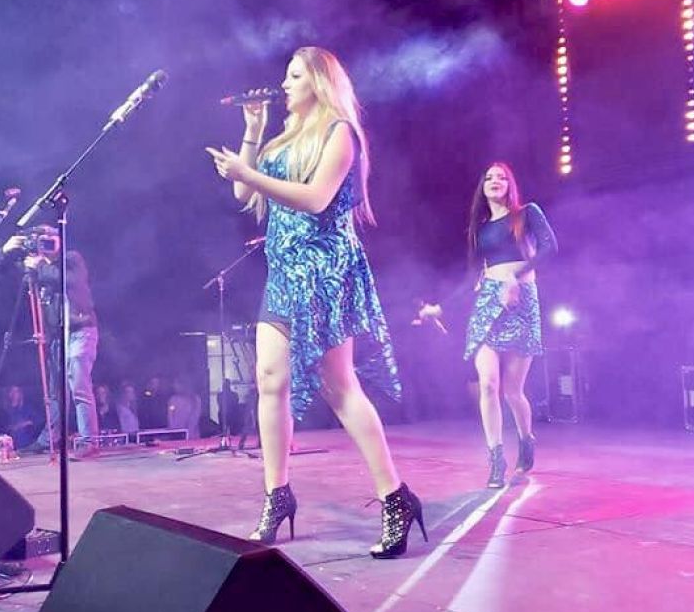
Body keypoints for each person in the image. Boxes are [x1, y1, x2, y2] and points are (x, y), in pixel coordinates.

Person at [207, 46, 424, 559]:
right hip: (284, 272)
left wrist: (246, 172)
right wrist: (252, 132)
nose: (284, 85)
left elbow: (315, 199)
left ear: (319, 83)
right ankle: (277, 494)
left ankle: (396, 496)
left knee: (339, 386)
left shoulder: (339, 133)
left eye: (294, 76)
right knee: (269, 380)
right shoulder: (283, 137)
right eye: (286, 76)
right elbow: (243, 196)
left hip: (325, 272)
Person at [419, 162, 557, 487]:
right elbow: (471, 278)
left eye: (502, 177)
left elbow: (550, 248)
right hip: (488, 303)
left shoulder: (527, 213)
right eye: (489, 178)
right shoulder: (479, 230)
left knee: (513, 390)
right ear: (482, 187)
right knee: (489, 384)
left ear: (510, 184)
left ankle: (526, 439)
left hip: (521, 301)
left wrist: (516, 277)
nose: (495, 181)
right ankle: (496, 457)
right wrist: (440, 307)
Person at [1, 226, 100, 458]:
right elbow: (4, 272)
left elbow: (69, 280)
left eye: (51, 240)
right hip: (57, 336)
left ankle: (89, 441)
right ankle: (49, 440)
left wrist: (40, 266)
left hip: (80, 330)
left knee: (79, 386)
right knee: (56, 393)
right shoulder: (36, 266)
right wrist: (5, 251)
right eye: (42, 241)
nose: (47, 246)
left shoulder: (71, 259)